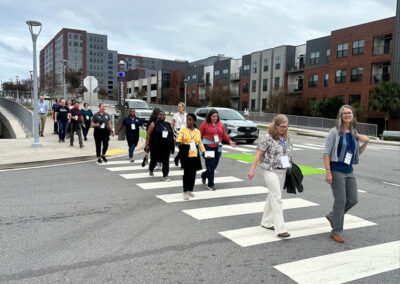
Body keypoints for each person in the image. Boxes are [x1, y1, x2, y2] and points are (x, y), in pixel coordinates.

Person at [323, 105, 369, 243]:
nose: (347, 115)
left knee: (353, 199)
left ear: (353, 115)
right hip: (336, 170)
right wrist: (328, 172)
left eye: (349, 113)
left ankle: (332, 216)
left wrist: (365, 142)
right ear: (340, 116)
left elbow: (357, 154)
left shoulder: (354, 133)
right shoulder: (334, 132)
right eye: (345, 113)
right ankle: (336, 231)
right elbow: (326, 153)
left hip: (349, 171)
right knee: (341, 200)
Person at [248, 114, 293, 238]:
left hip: (283, 171)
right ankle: (280, 228)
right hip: (270, 171)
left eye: (286, 126)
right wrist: (252, 169)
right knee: (277, 198)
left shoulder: (286, 138)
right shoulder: (267, 138)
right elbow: (259, 154)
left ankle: (266, 222)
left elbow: (288, 154)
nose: (284, 129)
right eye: (282, 126)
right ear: (276, 125)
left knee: (272, 196)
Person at [200, 109, 236, 190]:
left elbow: (223, 134)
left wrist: (230, 141)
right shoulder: (204, 124)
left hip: (217, 147)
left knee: (214, 166)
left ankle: (204, 175)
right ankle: (210, 184)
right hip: (207, 146)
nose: (215, 118)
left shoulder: (220, 123)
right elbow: (199, 136)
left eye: (216, 116)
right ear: (210, 116)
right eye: (213, 116)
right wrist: (196, 146)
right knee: (210, 165)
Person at [176, 113, 207, 200]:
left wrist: (204, 152)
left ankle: (190, 190)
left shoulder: (197, 131)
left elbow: (200, 142)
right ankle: (185, 191)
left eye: (190, 120)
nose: (188, 121)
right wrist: (177, 142)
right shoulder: (183, 130)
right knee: (186, 173)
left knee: (193, 173)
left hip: (194, 152)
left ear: (193, 121)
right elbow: (178, 140)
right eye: (187, 120)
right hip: (185, 152)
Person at [145, 111, 174, 181]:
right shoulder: (153, 124)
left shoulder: (168, 124)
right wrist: (147, 145)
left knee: (166, 161)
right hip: (155, 146)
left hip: (166, 147)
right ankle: (151, 169)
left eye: (163, 115)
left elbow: (171, 135)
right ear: (157, 116)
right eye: (160, 115)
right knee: (154, 160)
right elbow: (148, 135)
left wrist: (172, 145)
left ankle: (165, 175)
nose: (162, 116)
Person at [171, 102, 187, 167]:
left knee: (184, 148)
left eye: (180, 106)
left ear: (183, 107)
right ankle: (182, 164)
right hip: (177, 132)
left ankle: (177, 159)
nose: (179, 108)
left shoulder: (186, 115)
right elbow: (173, 124)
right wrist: (172, 133)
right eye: (178, 106)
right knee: (181, 148)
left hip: (185, 133)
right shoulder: (176, 115)